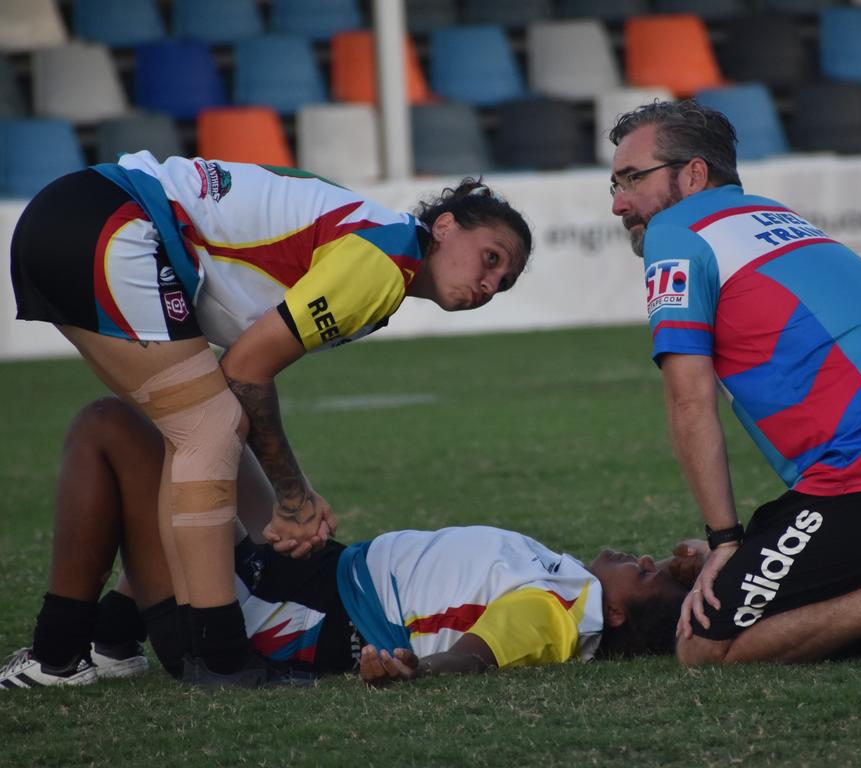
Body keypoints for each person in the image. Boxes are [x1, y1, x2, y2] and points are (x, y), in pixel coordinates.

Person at [9, 153, 532, 685]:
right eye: (490, 258)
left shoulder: (378, 242)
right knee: (209, 429)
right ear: (444, 226)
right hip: (110, 223)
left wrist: (293, 494)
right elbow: (246, 369)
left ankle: (93, 640)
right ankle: (219, 660)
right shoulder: (384, 263)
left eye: (504, 281)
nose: (490, 284)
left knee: (201, 430)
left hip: (84, 213)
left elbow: (236, 375)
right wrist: (293, 495)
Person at [607, 99, 861, 665]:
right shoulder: (773, 215)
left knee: (703, 648)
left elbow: (689, 399)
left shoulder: (676, 230)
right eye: (614, 184)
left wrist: (725, 541)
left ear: (693, 174)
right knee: (805, 603)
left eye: (632, 179)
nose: (620, 203)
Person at [0, 399, 692, 690]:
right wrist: (701, 560)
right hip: (318, 572)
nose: (649, 559)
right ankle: (114, 647)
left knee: (112, 425)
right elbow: (706, 573)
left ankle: (59, 656)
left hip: (288, 616)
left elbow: (476, 656)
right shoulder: (573, 581)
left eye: (653, 577)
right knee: (214, 411)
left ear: (622, 616)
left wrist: (413, 672)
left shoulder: (559, 609)